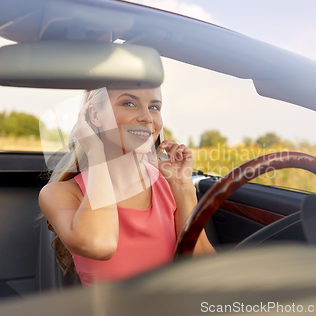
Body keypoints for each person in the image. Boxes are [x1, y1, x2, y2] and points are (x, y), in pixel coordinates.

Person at [39, 87, 214, 286]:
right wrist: (96, 154)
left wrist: (182, 186)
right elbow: (100, 244)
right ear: (94, 115)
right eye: (129, 103)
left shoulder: (168, 185)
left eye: (154, 107)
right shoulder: (60, 194)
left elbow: (207, 273)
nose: (147, 118)